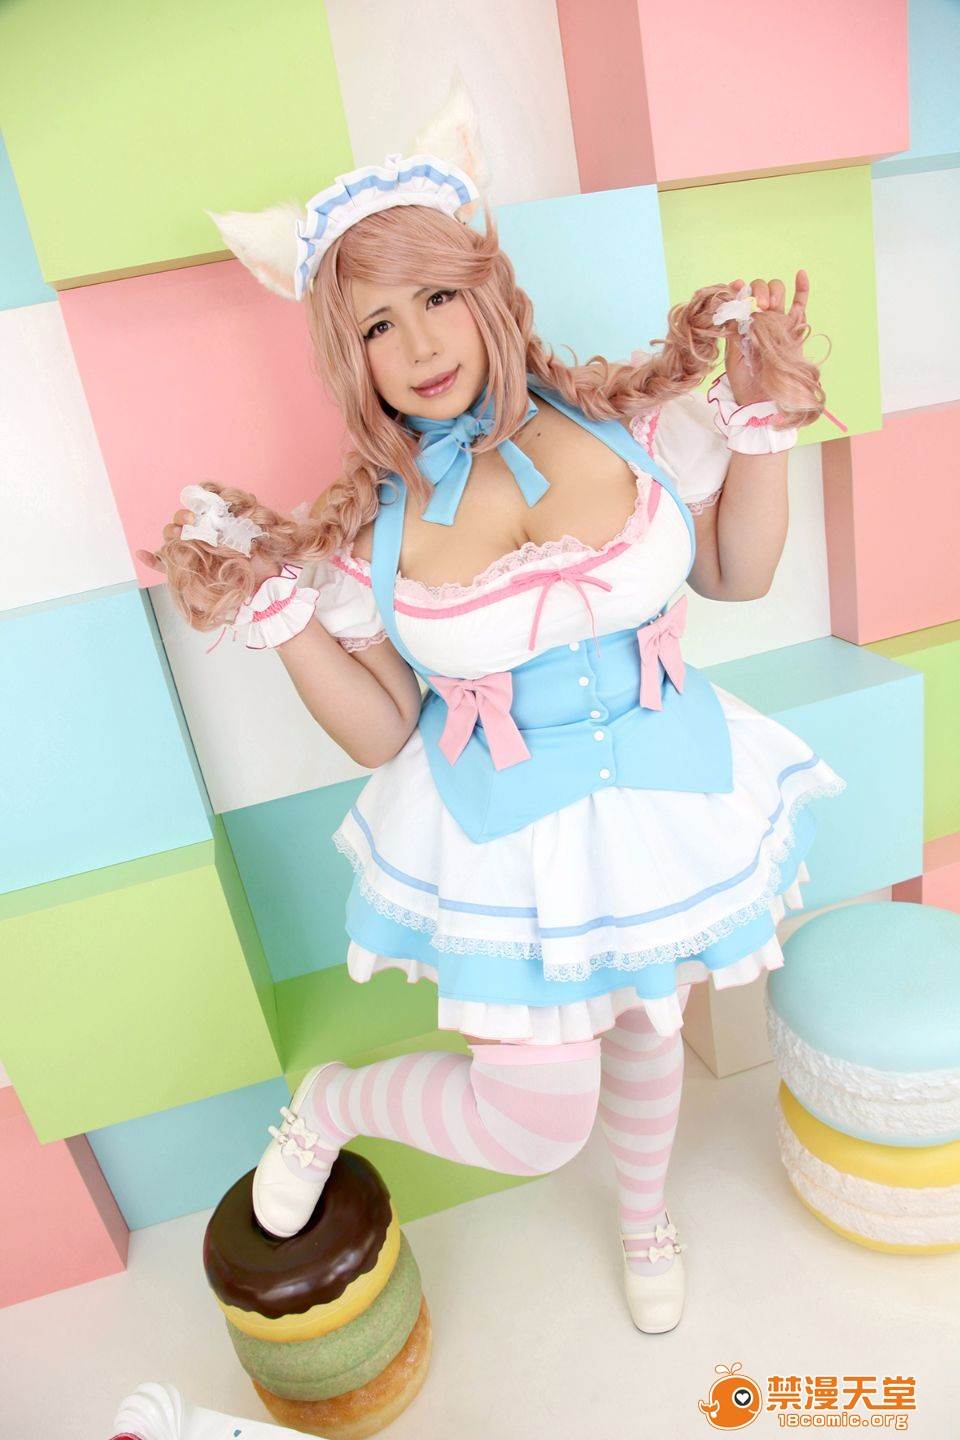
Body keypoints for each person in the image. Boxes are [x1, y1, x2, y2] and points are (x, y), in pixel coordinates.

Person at [141, 151, 846, 1334]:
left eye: (436, 296)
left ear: (488, 292)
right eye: (378, 323)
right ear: (350, 357)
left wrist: (765, 425)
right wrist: (282, 616)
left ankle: (643, 1215)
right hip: (505, 840)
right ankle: (332, 1105)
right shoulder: (371, 530)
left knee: (648, 1017)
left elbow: (737, 572)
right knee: (536, 1120)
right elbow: (381, 730)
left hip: (668, 790)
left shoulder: (630, 430)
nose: (419, 344)